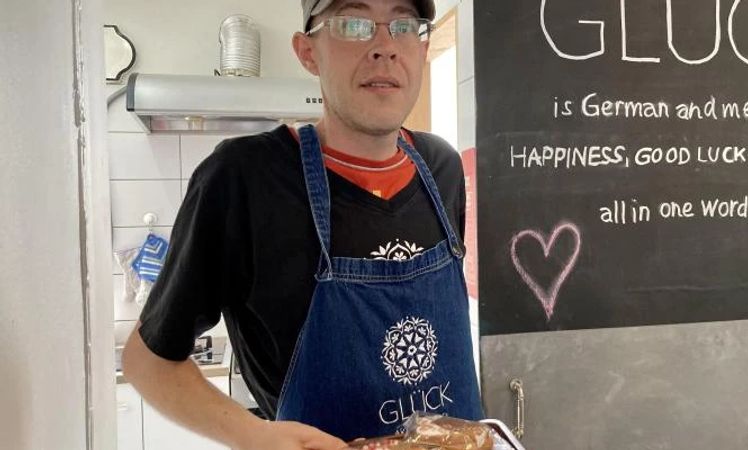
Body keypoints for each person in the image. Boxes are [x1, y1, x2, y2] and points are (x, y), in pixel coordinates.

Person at [121, 0, 484, 448]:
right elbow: (146, 360)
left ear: (422, 49)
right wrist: (252, 434)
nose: (385, 46)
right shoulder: (245, 178)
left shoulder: (441, 166)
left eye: (405, 25)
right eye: (354, 23)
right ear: (308, 52)